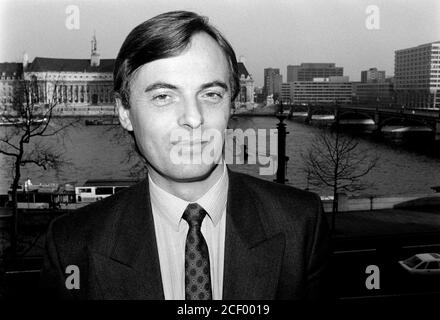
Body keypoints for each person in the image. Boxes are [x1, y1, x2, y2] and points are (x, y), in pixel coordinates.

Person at [40, 10, 331, 300]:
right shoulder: (71, 246)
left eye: (211, 94)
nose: (193, 118)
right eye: (163, 96)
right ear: (124, 113)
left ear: (231, 104)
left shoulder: (302, 224)